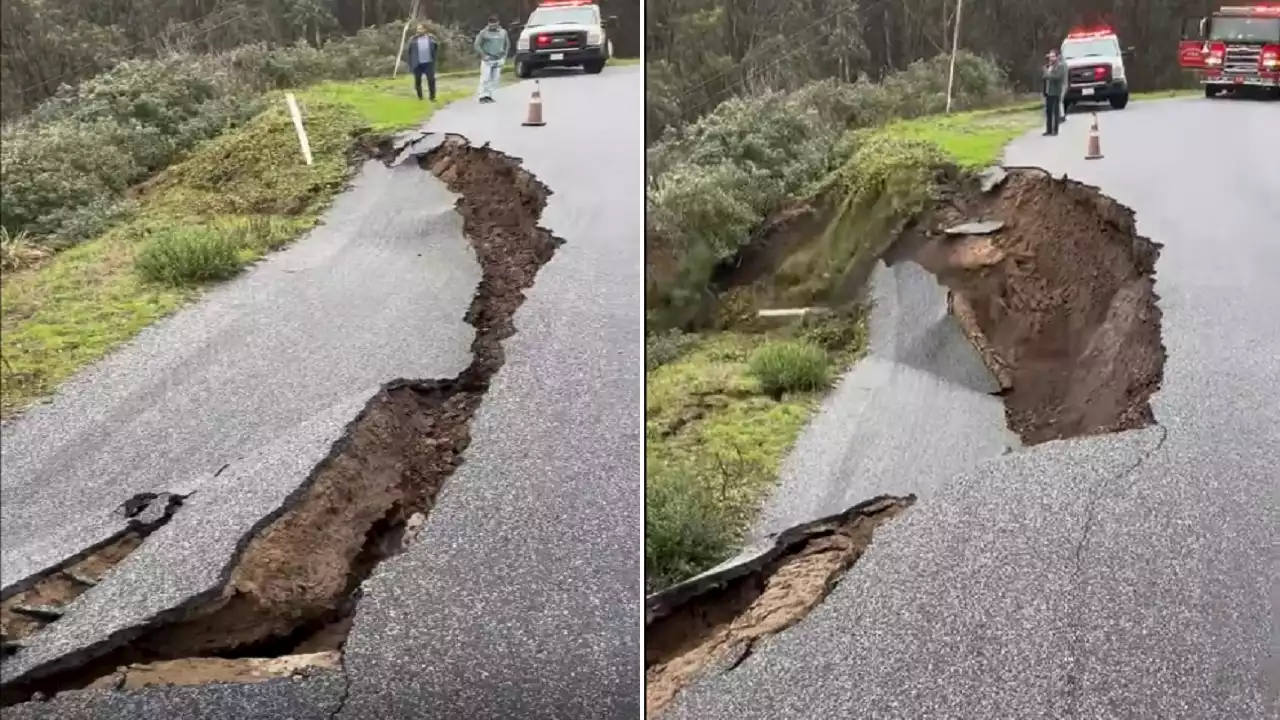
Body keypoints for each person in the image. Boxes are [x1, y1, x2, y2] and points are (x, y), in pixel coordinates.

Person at [474, 16, 509, 104]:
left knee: (495, 79)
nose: (493, 25)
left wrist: (504, 56)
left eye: (495, 23)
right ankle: (482, 96)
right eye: (491, 23)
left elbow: (507, 44)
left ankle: (488, 95)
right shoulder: (483, 33)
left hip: (498, 59)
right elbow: (477, 45)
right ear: (488, 23)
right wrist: (483, 55)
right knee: (485, 78)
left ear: (498, 23)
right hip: (488, 59)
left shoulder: (503, 32)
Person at [404, 24, 439, 102]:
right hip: (417, 63)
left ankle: (432, 97)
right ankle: (420, 97)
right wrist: (411, 62)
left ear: (425, 30)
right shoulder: (413, 39)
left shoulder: (431, 38)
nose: (419, 31)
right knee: (417, 81)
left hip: (428, 63)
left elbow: (436, 47)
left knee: (431, 80)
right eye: (418, 29)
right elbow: (408, 50)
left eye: (421, 29)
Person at [1042, 50, 1067, 136]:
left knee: (1055, 111)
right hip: (1048, 91)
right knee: (1048, 111)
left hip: (1056, 91)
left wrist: (1048, 74)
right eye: (1050, 56)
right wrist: (1047, 73)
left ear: (1057, 57)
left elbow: (1057, 77)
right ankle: (1048, 130)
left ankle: (1055, 130)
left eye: (1053, 56)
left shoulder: (1060, 66)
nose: (1051, 58)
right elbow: (1043, 76)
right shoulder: (1048, 66)